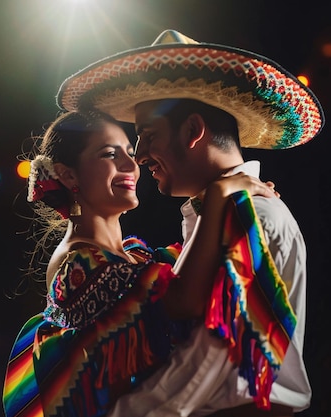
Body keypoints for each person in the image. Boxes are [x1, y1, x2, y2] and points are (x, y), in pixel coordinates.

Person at [55, 30, 325, 416]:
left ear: (192, 131)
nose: (140, 155)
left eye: (147, 135)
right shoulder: (216, 216)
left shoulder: (250, 218)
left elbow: (207, 360)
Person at [2, 109, 277, 417]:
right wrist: (217, 195)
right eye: (109, 154)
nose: (130, 165)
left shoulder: (134, 255)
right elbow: (182, 300)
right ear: (69, 175)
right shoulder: (77, 265)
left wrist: (232, 203)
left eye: (130, 153)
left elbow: (192, 265)